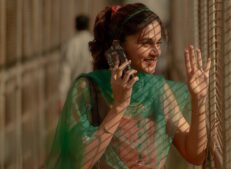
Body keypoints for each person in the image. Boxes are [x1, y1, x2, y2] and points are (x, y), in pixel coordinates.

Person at [47, 3, 211, 169]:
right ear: (118, 46)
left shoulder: (157, 89)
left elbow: (195, 155)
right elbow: (80, 161)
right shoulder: (88, 89)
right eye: (146, 43)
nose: (156, 52)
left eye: (158, 43)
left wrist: (198, 100)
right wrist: (119, 106)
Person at [59, 14, 93, 106]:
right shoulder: (94, 42)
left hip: (75, 92)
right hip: (92, 91)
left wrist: (61, 98)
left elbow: (65, 73)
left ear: (75, 26)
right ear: (88, 25)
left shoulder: (70, 44)